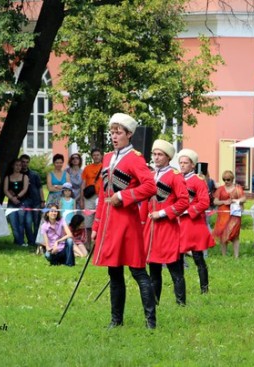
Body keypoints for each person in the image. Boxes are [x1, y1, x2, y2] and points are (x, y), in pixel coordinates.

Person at [91, 112, 158, 329]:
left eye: (118, 132)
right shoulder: (109, 158)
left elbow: (150, 186)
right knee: (114, 270)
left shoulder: (135, 158)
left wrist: (123, 196)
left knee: (137, 270)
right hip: (109, 224)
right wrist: (96, 224)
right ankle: (115, 320)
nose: (114, 136)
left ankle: (150, 321)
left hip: (127, 223)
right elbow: (103, 194)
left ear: (129, 134)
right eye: (112, 132)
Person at [141, 139, 189, 306]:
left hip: (168, 228)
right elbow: (145, 202)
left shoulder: (175, 176)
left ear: (168, 157)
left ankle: (181, 303)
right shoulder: (150, 175)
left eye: (160, 154)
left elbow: (183, 202)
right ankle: (155, 303)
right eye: (154, 154)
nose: (156, 157)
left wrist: (162, 213)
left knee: (174, 269)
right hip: (151, 229)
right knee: (153, 269)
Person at [177, 148, 215, 293]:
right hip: (179, 223)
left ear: (193, 165)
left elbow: (204, 202)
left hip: (193, 223)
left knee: (198, 258)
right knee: (177, 259)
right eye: (181, 162)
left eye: (185, 163)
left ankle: (204, 289)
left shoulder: (198, 181)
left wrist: (186, 211)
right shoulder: (177, 179)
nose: (182, 165)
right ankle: (180, 289)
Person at [213, 170, 246, 258]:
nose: (226, 181)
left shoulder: (238, 188)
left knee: (235, 235)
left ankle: (236, 256)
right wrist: (224, 201)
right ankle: (224, 256)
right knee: (223, 235)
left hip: (235, 214)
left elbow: (244, 199)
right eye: (224, 179)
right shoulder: (220, 189)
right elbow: (215, 201)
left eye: (228, 179)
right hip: (223, 215)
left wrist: (236, 201)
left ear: (232, 179)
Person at [3, 159, 32, 247]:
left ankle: (22, 242)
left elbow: (25, 189)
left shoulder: (25, 177)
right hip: (11, 203)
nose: (18, 167)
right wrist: (12, 198)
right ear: (12, 166)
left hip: (22, 202)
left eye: (20, 165)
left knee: (21, 222)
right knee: (13, 223)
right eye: (16, 165)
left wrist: (17, 197)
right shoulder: (8, 177)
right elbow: (5, 189)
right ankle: (19, 241)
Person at [80, 148, 103, 250]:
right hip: (89, 197)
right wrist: (81, 199)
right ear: (92, 156)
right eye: (94, 155)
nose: (96, 157)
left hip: (101, 197)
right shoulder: (87, 168)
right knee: (88, 222)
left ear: (101, 156)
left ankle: (98, 245)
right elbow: (83, 184)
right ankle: (88, 245)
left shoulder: (105, 167)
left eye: (98, 155)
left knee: (100, 221)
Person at [20, 154, 45, 240]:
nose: (25, 164)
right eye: (23, 162)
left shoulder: (34, 174)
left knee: (37, 222)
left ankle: (36, 241)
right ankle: (30, 240)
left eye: (27, 162)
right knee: (27, 222)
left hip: (36, 201)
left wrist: (42, 201)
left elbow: (40, 188)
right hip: (25, 201)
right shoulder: (17, 174)